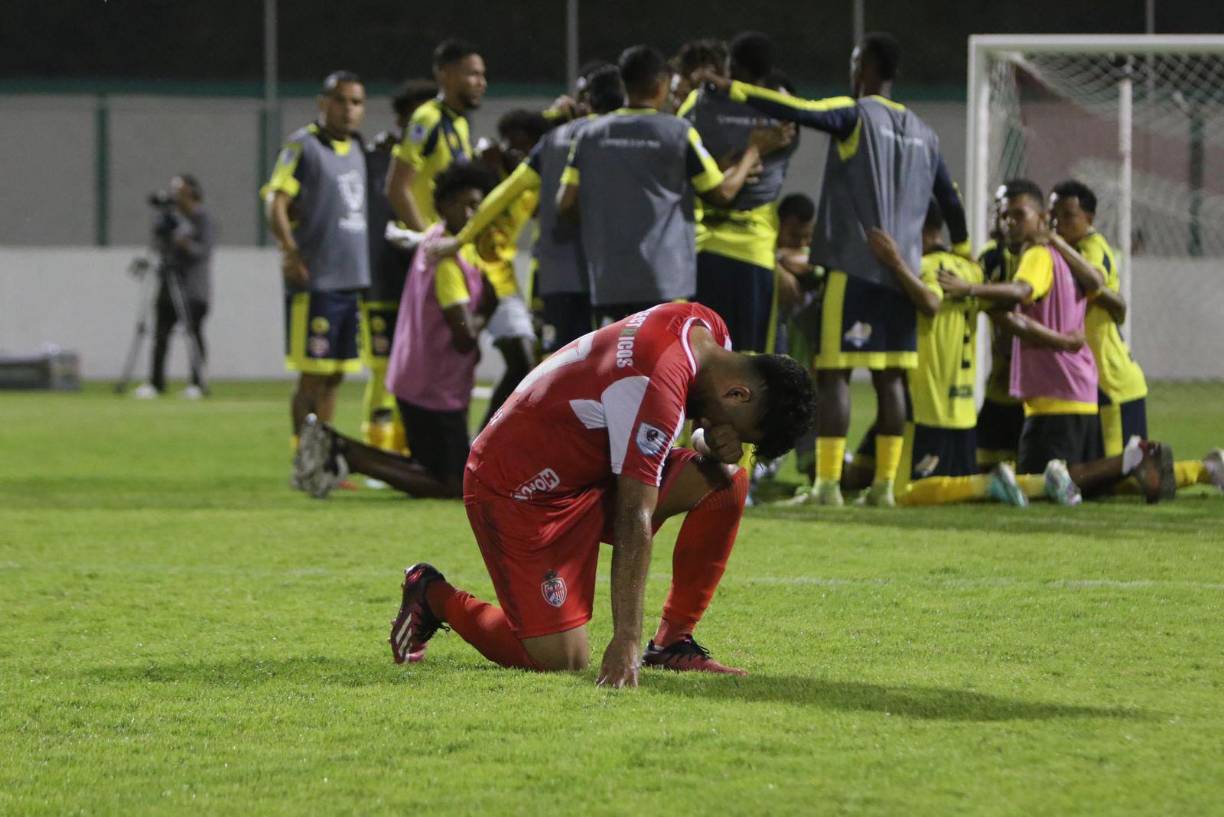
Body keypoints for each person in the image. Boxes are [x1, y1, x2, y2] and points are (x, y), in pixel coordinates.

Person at [378, 302, 816, 686]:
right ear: (738, 393)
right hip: (519, 489)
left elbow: (642, 420)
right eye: (735, 428)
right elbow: (633, 515)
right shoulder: (657, 379)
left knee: (728, 477)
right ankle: (431, 594)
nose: (728, 435)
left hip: (588, 474)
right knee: (559, 660)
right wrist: (625, 639)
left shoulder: (706, 329)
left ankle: (672, 643)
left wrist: (707, 442)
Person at [696, 32, 970, 507]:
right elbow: (949, 198)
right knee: (890, 381)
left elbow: (801, 110)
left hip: (855, 264)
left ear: (863, 67)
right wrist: (964, 248)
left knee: (835, 376)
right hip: (903, 272)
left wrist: (735, 90)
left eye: (853, 62)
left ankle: (825, 486)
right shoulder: (926, 133)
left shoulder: (857, 113)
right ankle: (883, 488)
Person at [296, 163, 499, 500]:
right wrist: (488, 305)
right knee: (450, 484)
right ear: (441, 207)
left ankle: (340, 449)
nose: (471, 213)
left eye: (477, 206)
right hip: (434, 387)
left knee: (432, 469)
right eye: (462, 205)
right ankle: (345, 452)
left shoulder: (435, 240)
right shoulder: (448, 261)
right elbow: (464, 336)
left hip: (418, 378)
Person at [557, 45, 790, 325]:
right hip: (666, 280)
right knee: (665, 365)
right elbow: (722, 193)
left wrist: (605, 227)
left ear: (624, 82)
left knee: (617, 365)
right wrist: (753, 150)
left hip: (608, 277)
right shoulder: (678, 132)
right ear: (661, 83)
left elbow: (566, 204)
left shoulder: (588, 135)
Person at [427, 64, 627, 355]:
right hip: (625, 278)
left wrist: (461, 238)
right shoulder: (652, 135)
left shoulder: (555, 141)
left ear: (587, 101)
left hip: (562, 276)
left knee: (558, 366)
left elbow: (505, 193)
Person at [1050, 179, 1224, 494]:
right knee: (1104, 476)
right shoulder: (1068, 252)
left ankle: (1206, 469)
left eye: (1066, 216)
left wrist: (1051, 242)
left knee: (1118, 478)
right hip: (1090, 380)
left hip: (1111, 381)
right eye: (1052, 216)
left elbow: (1095, 283)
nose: (1057, 224)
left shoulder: (1092, 248)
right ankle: (1206, 469)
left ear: (1089, 218)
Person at [937, 179, 1108, 477]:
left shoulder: (1040, 255)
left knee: (1038, 483)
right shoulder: (1059, 255)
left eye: (1018, 215)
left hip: (1054, 386)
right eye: (1004, 215)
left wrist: (970, 289)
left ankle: (1145, 463)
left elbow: (1020, 293)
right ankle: (1139, 463)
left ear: (1043, 219)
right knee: (1080, 479)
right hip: (1059, 386)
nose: (1008, 223)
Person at [261, 70, 369, 462]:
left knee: (335, 374)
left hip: (352, 279)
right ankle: (302, 457)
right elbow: (276, 201)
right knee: (312, 374)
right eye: (341, 100)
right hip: (316, 279)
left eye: (356, 102)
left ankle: (321, 458)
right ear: (323, 104)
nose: (349, 109)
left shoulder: (358, 149)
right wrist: (289, 251)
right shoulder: (303, 146)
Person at [681, 31, 798, 353]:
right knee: (753, 360)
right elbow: (760, 182)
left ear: (731, 64)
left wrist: (718, 165)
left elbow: (679, 152)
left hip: (704, 249)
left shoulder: (700, 105)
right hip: (753, 253)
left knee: (702, 355)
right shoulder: (781, 118)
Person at [360, 79, 437, 454]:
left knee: (415, 362)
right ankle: (377, 445)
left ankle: (407, 445)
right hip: (384, 274)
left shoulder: (429, 157)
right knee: (382, 362)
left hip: (418, 274)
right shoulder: (377, 156)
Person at [469, 109, 550, 428]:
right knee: (464, 364)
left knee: (523, 363)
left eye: (522, 146)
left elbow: (544, 212)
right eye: (508, 143)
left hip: (500, 277)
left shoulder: (531, 183)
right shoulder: (486, 166)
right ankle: (480, 445)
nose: (512, 151)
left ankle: (484, 441)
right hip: (467, 270)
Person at [387, 39, 486, 232]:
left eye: (483, 75)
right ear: (445, 75)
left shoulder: (461, 123)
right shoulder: (427, 119)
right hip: (426, 250)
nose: (482, 83)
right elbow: (396, 188)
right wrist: (424, 240)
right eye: (473, 74)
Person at [134, 174, 214, 400]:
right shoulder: (171, 218)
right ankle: (156, 382)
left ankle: (198, 382)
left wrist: (184, 242)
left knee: (193, 333)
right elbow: (159, 246)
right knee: (160, 334)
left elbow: (203, 251)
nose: (175, 196)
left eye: (180, 191)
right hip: (168, 285)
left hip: (193, 288)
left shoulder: (202, 218)